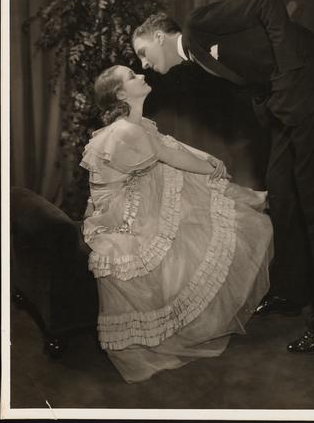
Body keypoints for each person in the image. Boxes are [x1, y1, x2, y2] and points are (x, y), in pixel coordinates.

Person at [132, 0, 314, 353]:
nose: (144, 65)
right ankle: (292, 292)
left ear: (159, 36)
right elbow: (253, 64)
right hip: (287, 104)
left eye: (143, 53)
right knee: (281, 193)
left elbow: (267, 4)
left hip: (310, 86)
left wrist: (288, 73)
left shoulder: (197, 25)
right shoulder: (196, 57)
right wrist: (269, 100)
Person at [80, 65, 273, 382]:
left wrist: (210, 159)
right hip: (120, 215)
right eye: (132, 77)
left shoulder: (137, 124)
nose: (142, 76)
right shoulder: (124, 131)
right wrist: (213, 169)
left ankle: (239, 204)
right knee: (178, 177)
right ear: (121, 94)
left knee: (179, 177)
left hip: (135, 194)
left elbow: (169, 144)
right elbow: (168, 155)